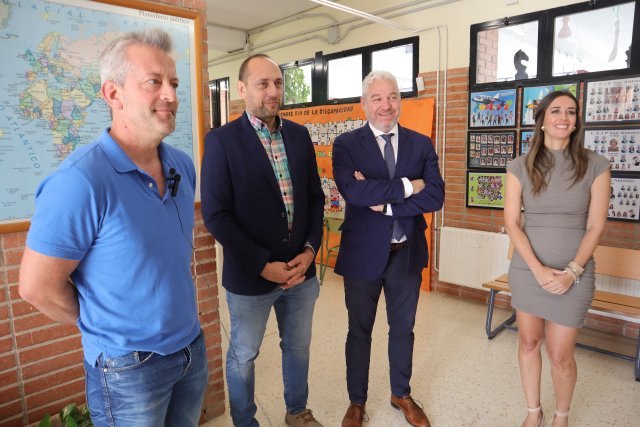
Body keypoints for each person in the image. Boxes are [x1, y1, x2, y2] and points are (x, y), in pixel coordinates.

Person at [18, 28, 208, 426]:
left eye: (173, 83)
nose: (171, 95)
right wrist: (107, 325)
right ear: (113, 94)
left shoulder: (181, 165)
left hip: (191, 348)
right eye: (154, 82)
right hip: (128, 368)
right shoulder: (80, 181)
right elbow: (36, 287)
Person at [200, 54, 325, 427]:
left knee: (298, 347)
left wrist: (310, 250)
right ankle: (245, 421)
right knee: (244, 355)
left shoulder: (299, 136)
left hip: (301, 274)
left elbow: (315, 198)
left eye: (278, 83)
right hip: (251, 277)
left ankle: (297, 411)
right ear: (242, 89)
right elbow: (216, 215)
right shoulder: (222, 141)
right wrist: (262, 265)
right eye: (263, 84)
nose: (273, 91)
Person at [332, 70, 445, 427]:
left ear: (400, 101)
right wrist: (411, 186)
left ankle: (401, 393)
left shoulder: (420, 143)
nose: (386, 105)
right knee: (358, 331)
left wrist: (387, 204)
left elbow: (436, 195)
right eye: (377, 98)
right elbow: (354, 192)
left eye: (393, 97)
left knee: (403, 329)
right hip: (362, 254)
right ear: (363, 103)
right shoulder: (347, 144)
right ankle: (357, 402)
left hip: (406, 253)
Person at [504, 91, 610, 427]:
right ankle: (533, 411)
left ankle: (561, 416)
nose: (564, 118)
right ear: (542, 120)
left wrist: (571, 273)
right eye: (556, 111)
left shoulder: (596, 165)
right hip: (528, 271)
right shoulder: (519, 166)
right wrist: (537, 271)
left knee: (560, 354)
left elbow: (595, 226)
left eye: (571, 112)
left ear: (577, 121)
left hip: (574, 275)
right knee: (529, 342)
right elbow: (512, 223)